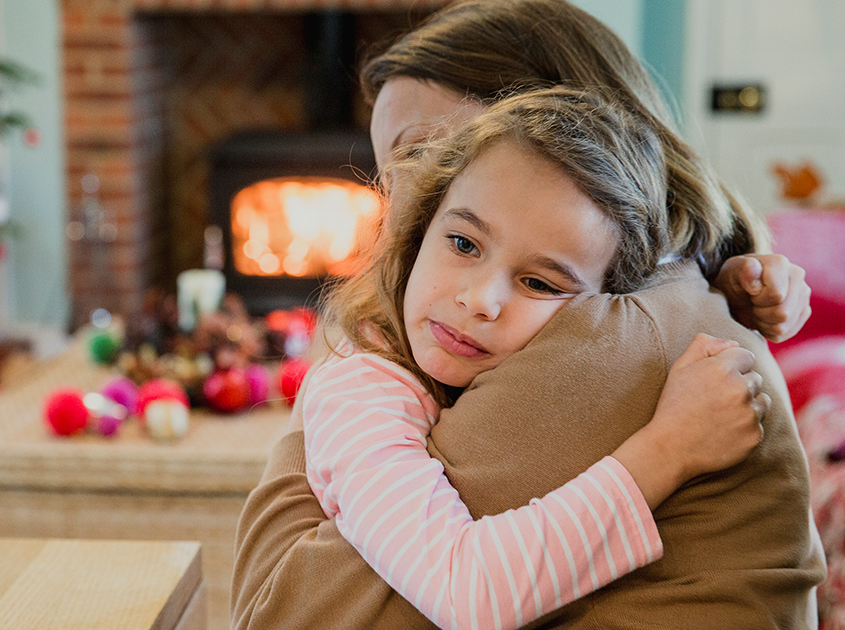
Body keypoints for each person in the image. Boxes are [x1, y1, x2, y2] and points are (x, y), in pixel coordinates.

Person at [230, 1, 824, 628]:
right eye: (389, 170)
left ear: (552, 123)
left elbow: (288, 610)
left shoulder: (615, 333)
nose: (398, 202)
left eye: (424, 153)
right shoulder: (375, 384)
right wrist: (668, 449)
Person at [304, 87, 769, 630]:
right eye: (463, 244)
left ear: (604, 307)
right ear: (420, 228)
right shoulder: (361, 393)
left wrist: (744, 278)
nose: (479, 300)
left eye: (537, 283)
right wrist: (670, 449)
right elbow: (467, 591)